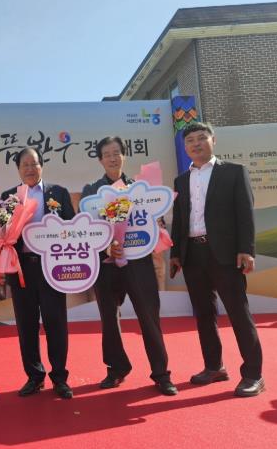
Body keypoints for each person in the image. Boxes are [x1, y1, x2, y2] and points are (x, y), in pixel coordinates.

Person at [170, 122, 264, 397]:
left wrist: (246, 249)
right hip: (192, 254)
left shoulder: (233, 172)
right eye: (190, 140)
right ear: (185, 147)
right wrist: (175, 254)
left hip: (225, 253)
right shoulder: (181, 180)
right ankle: (214, 367)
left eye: (201, 138)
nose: (196, 144)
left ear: (213, 140)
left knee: (238, 313)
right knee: (203, 314)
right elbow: (180, 219)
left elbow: (245, 213)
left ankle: (253, 375)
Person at [81, 136, 178, 396]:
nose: (112, 158)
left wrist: (157, 227)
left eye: (117, 153)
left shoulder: (140, 189)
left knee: (149, 317)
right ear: (100, 160)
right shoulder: (92, 192)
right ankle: (116, 368)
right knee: (109, 319)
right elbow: (88, 229)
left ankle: (161, 373)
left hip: (139, 264)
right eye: (107, 154)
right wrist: (107, 247)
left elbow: (156, 223)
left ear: (124, 156)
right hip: (106, 265)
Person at [2, 147, 75, 399]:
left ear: (41, 166)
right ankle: (34, 377)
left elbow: (72, 227)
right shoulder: (9, 197)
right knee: (26, 325)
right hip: (22, 268)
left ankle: (60, 377)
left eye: (34, 164)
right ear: (18, 170)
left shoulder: (59, 193)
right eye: (24, 165)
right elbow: (1, 233)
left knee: (56, 323)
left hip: (52, 268)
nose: (30, 169)